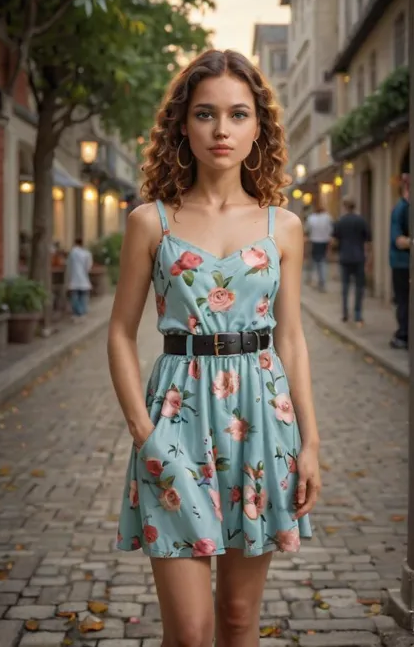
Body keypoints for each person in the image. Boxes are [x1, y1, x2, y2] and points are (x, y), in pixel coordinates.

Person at [107, 50, 320, 647]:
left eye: (237, 114)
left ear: (259, 127)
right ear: (182, 125)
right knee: (194, 631)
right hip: (174, 422)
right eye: (205, 114)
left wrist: (311, 442)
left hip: (264, 424)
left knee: (236, 620)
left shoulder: (285, 227)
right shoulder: (151, 222)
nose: (221, 130)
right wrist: (142, 430)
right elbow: (121, 332)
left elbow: (293, 339)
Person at [332, 196, 372, 326]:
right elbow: (368, 240)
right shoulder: (361, 220)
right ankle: (358, 315)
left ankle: (345, 314)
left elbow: (335, 240)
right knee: (359, 287)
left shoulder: (341, 221)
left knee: (345, 287)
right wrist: (370, 258)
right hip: (359, 257)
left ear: (344, 206)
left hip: (345, 257)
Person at [389, 172, 410, 349]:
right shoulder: (401, 208)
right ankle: (403, 335)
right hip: (402, 264)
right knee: (404, 301)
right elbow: (398, 240)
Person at [305, 200, 333, 292]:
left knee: (313, 262)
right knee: (322, 262)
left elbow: (307, 230)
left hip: (314, 241)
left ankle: (312, 279)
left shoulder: (311, 218)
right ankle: (321, 281)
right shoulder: (327, 217)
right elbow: (330, 231)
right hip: (324, 242)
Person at [66, 237, 93, 320]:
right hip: (84, 278)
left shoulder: (72, 252)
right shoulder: (87, 253)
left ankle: (78, 313)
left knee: (75, 297)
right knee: (83, 297)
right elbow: (88, 267)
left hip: (74, 278)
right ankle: (82, 312)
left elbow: (69, 265)